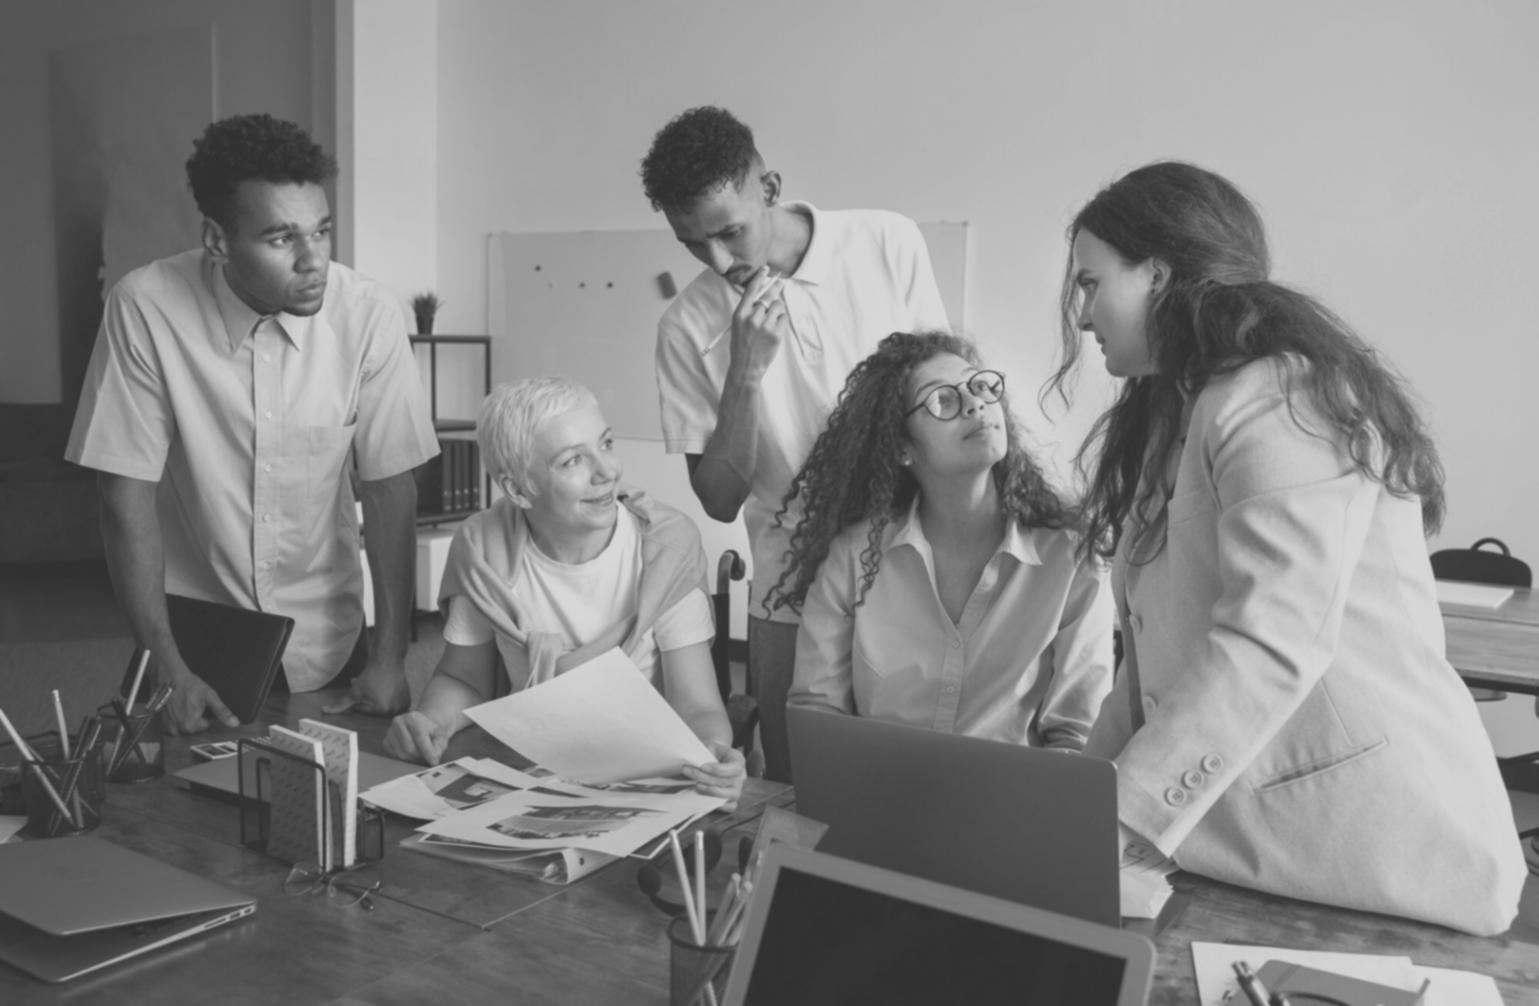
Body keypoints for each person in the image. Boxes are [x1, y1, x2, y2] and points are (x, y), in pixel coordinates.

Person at [1052, 161, 1524, 935]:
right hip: (1252, 845)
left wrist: (1117, 820)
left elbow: (1270, 641)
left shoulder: (1278, 394)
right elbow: (1152, 669)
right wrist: (1072, 804)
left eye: (1088, 282)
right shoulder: (1178, 411)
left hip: (1376, 847)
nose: (1080, 314)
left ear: (1158, 273)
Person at [66, 114, 438, 734]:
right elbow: (123, 492)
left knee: (332, 816)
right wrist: (166, 668)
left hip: (331, 638)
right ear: (216, 239)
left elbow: (390, 486)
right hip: (194, 642)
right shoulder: (145, 307)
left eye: (321, 230)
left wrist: (391, 655)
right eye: (281, 239)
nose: (313, 259)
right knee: (177, 819)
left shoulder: (368, 314)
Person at [643, 106, 951, 780]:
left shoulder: (884, 242)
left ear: (770, 188)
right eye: (692, 244)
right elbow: (720, 500)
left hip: (906, 560)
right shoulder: (685, 327)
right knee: (792, 784)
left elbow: (937, 398)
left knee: (908, 779)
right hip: (786, 584)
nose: (717, 260)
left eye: (729, 232)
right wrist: (745, 373)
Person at [383, 378, 745, 805]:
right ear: (518, 489)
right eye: (573, 461)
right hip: (530, 773)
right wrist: (429, 721)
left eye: (606, 444)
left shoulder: (665, 550)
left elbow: (698, 708)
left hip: (646, 777)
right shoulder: (483, 551)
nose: (607, 470)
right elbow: (463, 678)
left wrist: (714, 754)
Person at [769, 332, 1113, 748]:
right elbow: (816, 710)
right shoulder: (852, 558)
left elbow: (1077, 735)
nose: (975, 403)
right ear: (902, 447)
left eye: (980, 385)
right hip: (880, 798)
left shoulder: (1072, 557)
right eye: (943, 400)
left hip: (1015, 805)